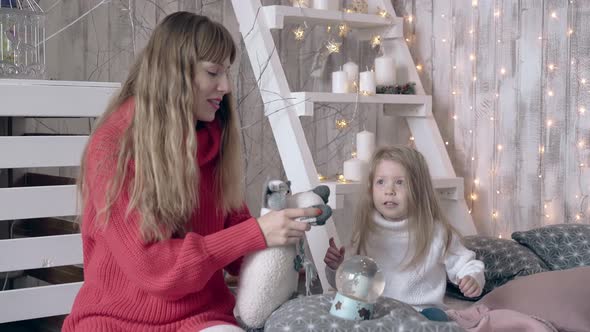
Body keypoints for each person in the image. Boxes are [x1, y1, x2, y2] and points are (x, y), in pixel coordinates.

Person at [62, 12, 318, 332]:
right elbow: (153, 268)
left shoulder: (212, 140)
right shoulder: (113, 148)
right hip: (115, 320)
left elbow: (238, 250)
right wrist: (257, 232)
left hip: (200, 317)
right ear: (175, 75)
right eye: (213, 72)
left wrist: (291, 252)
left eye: (226, 72)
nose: (225, 86)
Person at [324, 145, 484, 322]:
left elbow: (465, 264)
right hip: (378, 312)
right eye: (381, 182)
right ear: (371, 189)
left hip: (421, 313)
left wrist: (471, 278)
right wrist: (337, 266)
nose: (389, 190)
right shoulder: (366, 230)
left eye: (400, 182)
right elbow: (348, 285)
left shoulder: (436, 232)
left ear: (418, 189)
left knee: (436, 319)